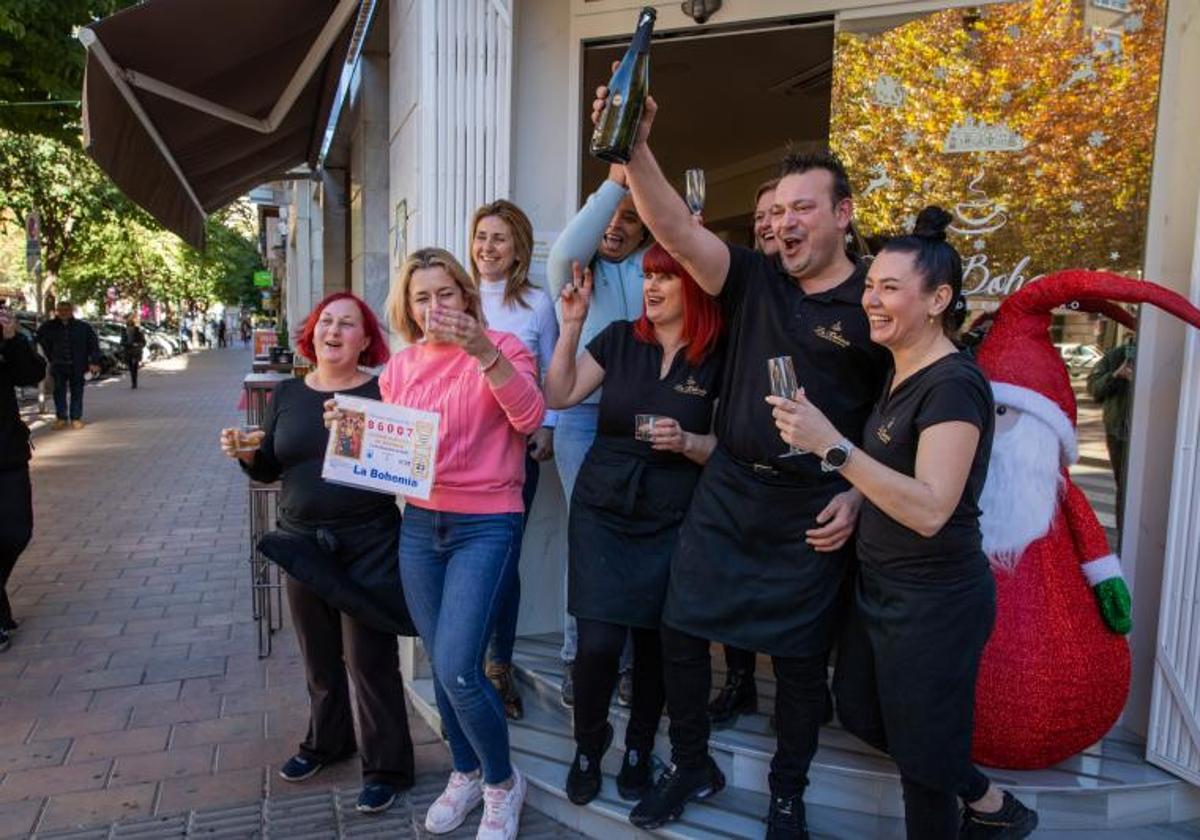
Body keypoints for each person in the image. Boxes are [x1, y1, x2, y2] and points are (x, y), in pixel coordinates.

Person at [596, 81, 888, 837]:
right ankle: (691, 764)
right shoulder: (753, 279)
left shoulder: (874, 308)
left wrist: (857, 496)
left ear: (843, 214)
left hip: (810, 509)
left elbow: (898, 425)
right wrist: (635, 150)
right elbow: (676, 228)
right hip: (727, 490)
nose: (785, 223)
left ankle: (786, 794)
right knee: (682, 630)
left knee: (797, 666)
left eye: (804, 209)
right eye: (779, 210)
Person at [771, 207, 1038, 840]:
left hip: (936, 601)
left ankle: (983, 810)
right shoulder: (902, 368)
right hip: (881, 590)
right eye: (871, 285)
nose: (871, 300)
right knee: (863, 713)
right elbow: (900, 470)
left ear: (938, 298)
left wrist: (833, 448)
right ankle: (992, 803)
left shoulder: (954, 385)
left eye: (890, 288)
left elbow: (930, 507)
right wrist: (857, 498)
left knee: (922, 766)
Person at [218, 292, 415, 815]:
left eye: (347, 324)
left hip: (368, 541)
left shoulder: (382, 389)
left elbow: (401, 466)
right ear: (313, 333)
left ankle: (388, 766)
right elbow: (270, 468)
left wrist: (359, 430)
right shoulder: (286, 393)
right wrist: (247, 456)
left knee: (370, 660)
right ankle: (328, 743)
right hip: (302, 541)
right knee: (319, 657)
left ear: (365, 338)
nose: (334, 331)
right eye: (326, 321)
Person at [372, 247, 544, 840]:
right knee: (443, 666)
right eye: (422, 297)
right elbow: (395, 453)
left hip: (487, 521)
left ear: (466, 296)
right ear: (408, 304)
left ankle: (502, 782)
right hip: (420, 525)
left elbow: (529, 418)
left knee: (459, 668)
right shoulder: (399, 367)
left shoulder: (503, 348)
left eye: (445, 293)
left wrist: (482, 351)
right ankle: (466, 771)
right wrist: (355, 437)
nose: (434, 307)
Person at [546, 244, 723, 805]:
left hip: (672, 509)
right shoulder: (621, 338)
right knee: (598, 644)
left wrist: (689, 441)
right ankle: (588, 744)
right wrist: (571, 326)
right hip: (603, 504)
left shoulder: (718, 355)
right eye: (648, 277)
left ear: (693, 286)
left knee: (654, 644)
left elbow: (736, 447)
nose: (652, 288)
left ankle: (642, 746)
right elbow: (560, 393)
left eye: (666, 279)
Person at [546, 163, 650, 708]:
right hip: (582, 418)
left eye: (630, 218)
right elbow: (568, 246)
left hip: (641, 422)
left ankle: (628, 664)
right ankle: (576, 657)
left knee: (635, 542)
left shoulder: (651, 270)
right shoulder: (574, 270)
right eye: (609, 216)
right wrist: (615, 183)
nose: (616, 225)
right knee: (586, 540)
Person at [469, 200, 559, 721]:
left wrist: (548, 428)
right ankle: (465, 665)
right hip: (458, 457)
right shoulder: (456, 299)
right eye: (482, 236)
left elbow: (551, 371)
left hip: (514, 455)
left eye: (499, 238)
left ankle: (498, 668)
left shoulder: (536, 305)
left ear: (519, 247)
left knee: (502, 564)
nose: (487, 247)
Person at [710, 176, 780, 728]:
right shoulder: (739, 282)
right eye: (760, 214)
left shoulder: (839, 293)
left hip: (802, 476)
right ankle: (738, 683)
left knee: (781, 592)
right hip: (731, 455)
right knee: (730, 584)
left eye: (778, 212)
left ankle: (797, 692)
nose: (767, 223)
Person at [0, 306, 47, 652]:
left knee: (18, 531)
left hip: (7, 451)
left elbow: (32, 373)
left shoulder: (8, 339)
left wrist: (12, 340)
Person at [1086, 337, 1133, 524]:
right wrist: (1116, 375)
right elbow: (1094, 389)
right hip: (1119, 433)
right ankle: (1125, 534)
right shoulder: (1116, 355)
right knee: (1124, 487)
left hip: (1152, 437)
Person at [36, 301, 101, 430]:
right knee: (58, 392)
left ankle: (76, 418)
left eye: (66, 310)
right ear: (57, 311)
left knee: (77, 392)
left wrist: (94, 362)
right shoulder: (48, 327)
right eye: (60, 310)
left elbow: (94, 345)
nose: (63, 312)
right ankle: (61, 418)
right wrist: (50, 355)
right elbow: (38, 339)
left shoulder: (83, 327)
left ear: (71, 311)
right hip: (58, 365)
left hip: (78, 365)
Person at [120, 315, 146, 389]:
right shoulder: (124, 332)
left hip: (134, 352)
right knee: (132, 368)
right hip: (130, 352)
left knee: (133, 367)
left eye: (131, 326)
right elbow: (122, 342)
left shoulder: (138, 331)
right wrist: (131, 344)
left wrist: (138, 345)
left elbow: (143, 342)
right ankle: (134, 382)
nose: (130, 328)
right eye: (129, 326)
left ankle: (134, 382)